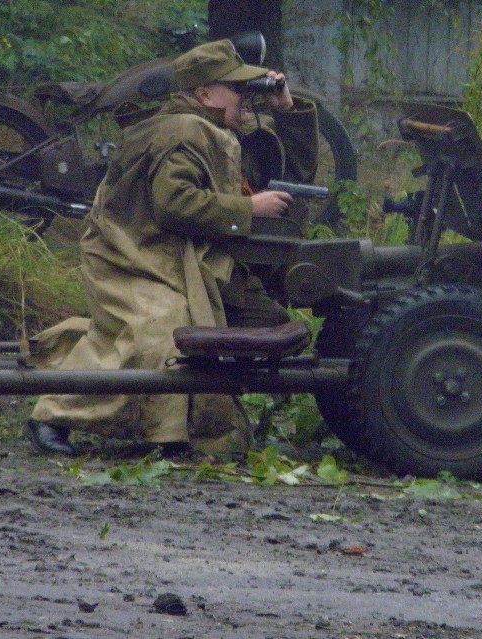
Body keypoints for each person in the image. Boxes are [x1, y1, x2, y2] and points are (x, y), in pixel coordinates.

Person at [26, 39, 319, 457]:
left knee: (265, 323)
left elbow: (290, 175)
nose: (244, 97)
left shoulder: (216, 130)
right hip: (132, 254)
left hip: (184, 256)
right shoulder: (182, 130)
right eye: (236, 89)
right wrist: (247, 208)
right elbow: (172, 204)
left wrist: (286, 111)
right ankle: (53, 414)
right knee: (163, 333)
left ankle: (187, 419)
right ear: (204, 94)